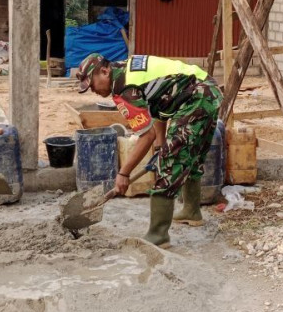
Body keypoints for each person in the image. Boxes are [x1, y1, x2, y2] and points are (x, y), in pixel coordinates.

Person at [75, 53, 222, 249]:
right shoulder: (127, 69)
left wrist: (123, 173)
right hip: (208, 90)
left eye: (92, 84)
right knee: (192, 153)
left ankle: (158, 235)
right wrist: (161, 145)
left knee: (170, 163)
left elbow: (146, 136)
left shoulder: (123, 89)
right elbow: (159, 105)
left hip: (195, 98)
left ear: (104, 71)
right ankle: (191, 211)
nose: (93, 90)